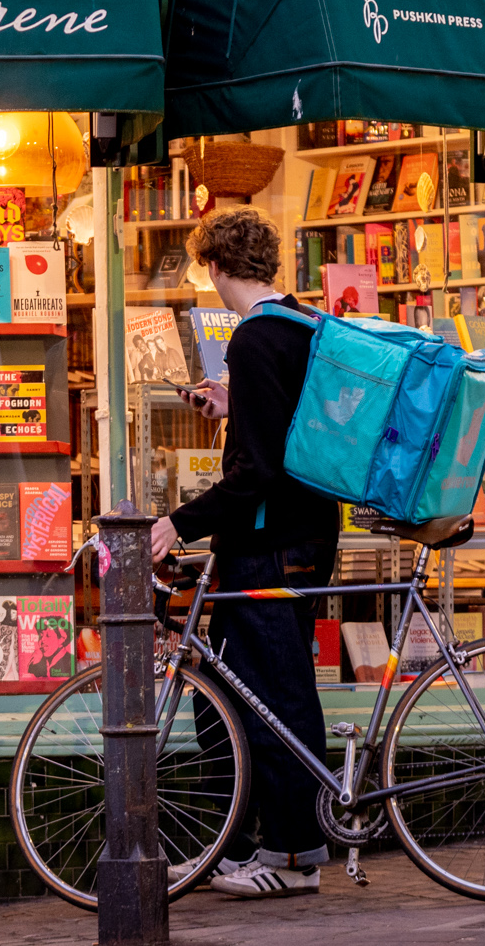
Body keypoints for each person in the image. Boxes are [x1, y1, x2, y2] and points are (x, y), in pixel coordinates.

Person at [151, 205, 339, 899]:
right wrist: (234, 404)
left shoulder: (254, 338)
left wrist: (178, 521)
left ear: (217, 267)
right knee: (243, 694)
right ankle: (240, 846)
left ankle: (294, 852)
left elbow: (256, 472)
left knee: (275, 696)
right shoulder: (298, 322)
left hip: (269, 542)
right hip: (306, 532)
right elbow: (290, 426)